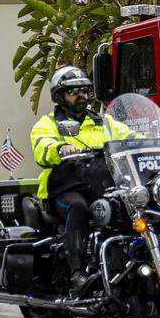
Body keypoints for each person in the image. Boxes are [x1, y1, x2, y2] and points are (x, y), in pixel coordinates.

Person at [30, 66, 133, 295]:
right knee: (78, 207)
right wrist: (60, 147)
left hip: (102, 186)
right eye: (74, 91)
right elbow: (42, 147)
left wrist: (152, 143)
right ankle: (77, 273)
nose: (82, 95)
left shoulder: (103, 122)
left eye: (85, 90)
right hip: (64, 188)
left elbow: (130, 136)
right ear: (60, 96)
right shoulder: (49, 123)